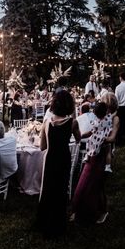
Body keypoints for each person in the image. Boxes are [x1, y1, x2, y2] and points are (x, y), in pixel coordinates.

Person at [36, 90, 81, 238]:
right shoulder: (73, 123)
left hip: (50, 158)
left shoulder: (47, 123)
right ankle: (58, 225)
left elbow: (42, 147)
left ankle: (44, 222)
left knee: (48, 189)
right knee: (61, 190)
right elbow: (79, 138)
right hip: (63, 158)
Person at [71, 102, 112, 224]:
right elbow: (91, 132)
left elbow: (108, 141)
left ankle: (97, 212)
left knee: (95, 185)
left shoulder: (107, 123)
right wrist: (82, 135)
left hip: (99, 157)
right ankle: (80, 211)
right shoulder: (99, 122)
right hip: (91, 156)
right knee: (84, 184)